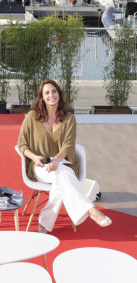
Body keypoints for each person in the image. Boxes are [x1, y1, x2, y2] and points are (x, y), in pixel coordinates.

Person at [17, 79, 112, 233]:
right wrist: (35, 158)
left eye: (54, 91)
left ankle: (45, 224)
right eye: (47, 92)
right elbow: (22, 145)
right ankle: (89, 209)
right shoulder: (32, 117)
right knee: (63, 175)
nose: (51, 95)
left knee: (61, 173)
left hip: (63, 163)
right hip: (39, 166)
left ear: (59, 94)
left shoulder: (69, 118)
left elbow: (68, 145)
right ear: (41, 97)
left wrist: (56, 160)